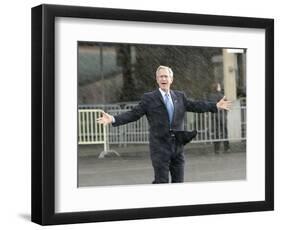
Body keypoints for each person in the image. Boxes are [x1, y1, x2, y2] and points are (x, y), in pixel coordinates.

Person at [97, 65, 231, 184]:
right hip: (159, 147)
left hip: (177, 147)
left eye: (166, 76)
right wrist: (113, 119)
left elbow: (196, 105)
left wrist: (215, 106)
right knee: (162, 182)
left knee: (179, 182)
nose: (163, 79)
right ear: (157, 79)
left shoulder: (179, 96)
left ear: (171, 79)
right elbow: (134, 114)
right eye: (160, 76)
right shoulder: (149, 98)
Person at [209, 83, 230, 154]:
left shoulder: (211, 96)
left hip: (214, 116)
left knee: (216, 133)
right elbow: (226, 104)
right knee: (224, 132)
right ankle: (226, 147)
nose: (220, 87)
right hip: (221, 116)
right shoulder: (220, 95)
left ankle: (216, 149)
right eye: (219, 86)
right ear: (217, 88)